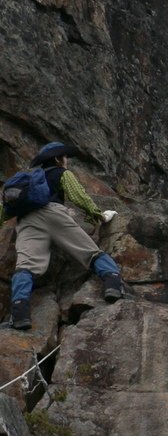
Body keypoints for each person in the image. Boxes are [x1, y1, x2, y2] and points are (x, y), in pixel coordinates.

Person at [2, 141, 124, 330]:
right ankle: (113, 282)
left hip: (27, 221)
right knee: (88, 251)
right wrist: (98, 215)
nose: (66, 161)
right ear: (58, 159)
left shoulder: (28, 182)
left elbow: (5, 210)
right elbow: (78, 196)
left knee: (25, 266)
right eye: (65, 158)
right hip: (54, 214)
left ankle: (19, 312)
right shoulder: (60, 173)